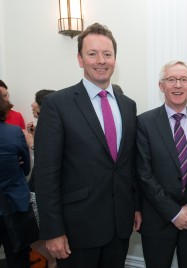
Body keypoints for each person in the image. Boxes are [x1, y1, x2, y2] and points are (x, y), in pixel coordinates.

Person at [34, 23, 142, 268]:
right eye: (92, 54)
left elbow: (129, 165)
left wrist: (135, 206)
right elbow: (46, 174)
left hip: (119, 225)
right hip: (77, 229)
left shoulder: (128, 105)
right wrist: (52, 230)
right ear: (80, 59)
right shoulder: (57, 105)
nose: (100, 60)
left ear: (115, 58)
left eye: (107, 54)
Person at [136, 60, 187, 268]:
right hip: (157, 220)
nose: (178, 85)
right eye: (171, 79)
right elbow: (144, 174)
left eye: (184, 79)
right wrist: (174, 212)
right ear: (161, 86)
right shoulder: (144, 123)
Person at [21, 89, 57, 268]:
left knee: (34, 234)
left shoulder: (49, 126)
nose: (32, 105)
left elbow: (49, 161)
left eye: (35, 101)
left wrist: (32, 144)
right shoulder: (43, 124)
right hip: (36, 188)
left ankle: (52, 261)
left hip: (38, 191)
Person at [0, 96, 31, 267]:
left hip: (11, 204)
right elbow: (26, 168)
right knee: (18, 257)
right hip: (14, 205)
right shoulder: (13, 132)